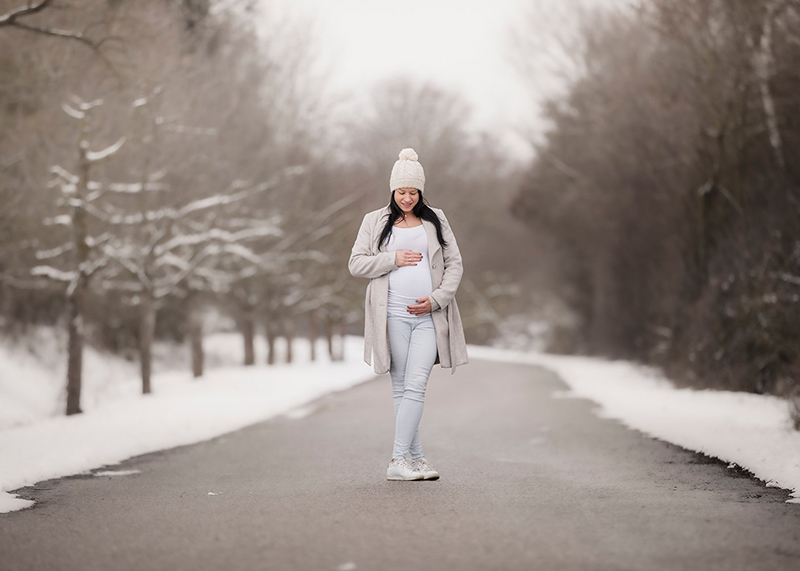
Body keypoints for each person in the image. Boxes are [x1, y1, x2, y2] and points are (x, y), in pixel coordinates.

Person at [348, 147, 468, 482]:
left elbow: (455, 264)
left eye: (413, 192)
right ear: (392, 190)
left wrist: (436, 299)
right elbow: (356, 264)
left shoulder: (436, 219)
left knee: (415, 384)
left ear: (421, 192)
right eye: (401, 191)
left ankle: (399, 458)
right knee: (402, 388)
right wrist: (393, 259)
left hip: (429, 315)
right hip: (393, 317)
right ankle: (413, 459)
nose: (407, 198)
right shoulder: (374, 221)